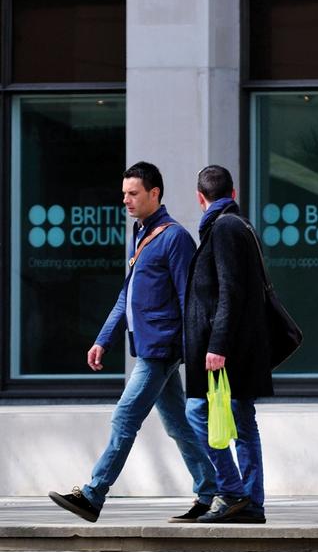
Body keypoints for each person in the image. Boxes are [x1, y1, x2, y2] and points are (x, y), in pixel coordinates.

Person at [49, 162, 217, 524]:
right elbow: (126, 295)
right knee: (177, 425)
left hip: (161, 351)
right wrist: (103, 339)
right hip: (147, 347)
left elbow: (192, 299)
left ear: (155, 194)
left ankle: (93, 494)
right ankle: (212, 489)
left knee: (125, 416)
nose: (125, 199)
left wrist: (195, 351)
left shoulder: (174, 238)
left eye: (133, 193)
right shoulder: (140, 234)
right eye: (124, 193)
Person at [182, 165, 272, 524]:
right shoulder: (237, 225)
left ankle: (235, 492)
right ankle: (248, 501)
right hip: (241, 345)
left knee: (199, 412)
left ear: (200, 197)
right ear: (233, 194)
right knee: (241, 420)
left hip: (229, 350)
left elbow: (230, 291)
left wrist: (216, 345)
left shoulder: (224, 228)